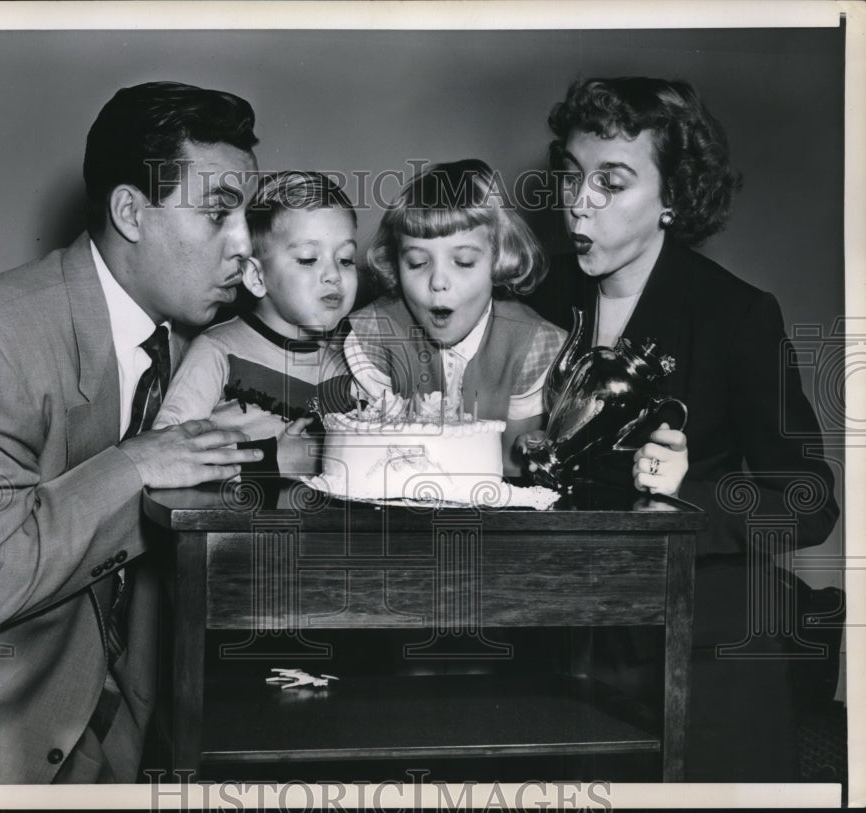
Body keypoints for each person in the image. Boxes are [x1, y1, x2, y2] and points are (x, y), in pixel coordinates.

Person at [0, 81, 265, 784]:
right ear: (130, 211)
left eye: (248, 216)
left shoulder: (191, 346)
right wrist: (136, 463)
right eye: (219, 214)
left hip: (112, 742)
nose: (247, 252)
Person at [526, 76, 841, 780]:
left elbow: (810, 501)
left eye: (612, 183)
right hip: (557, 629)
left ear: (672, 197)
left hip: (702, 643)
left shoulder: (737, 316)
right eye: (572, 177)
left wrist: (692, 491)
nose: (579, 204)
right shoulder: (536, 296)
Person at [346, 158, 688, 491]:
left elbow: (513, 471)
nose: (438, 281)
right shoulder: (372, 335)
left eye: (463, 262)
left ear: (498, 259)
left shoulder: (534, 345)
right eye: (417, 262)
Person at [154, 171, 359, 479]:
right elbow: (164, 456)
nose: (334, 275)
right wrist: (269, 462)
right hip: (231, 525)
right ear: (256, 277)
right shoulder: (218, 352)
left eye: (345, 259)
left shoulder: (354, 365)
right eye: (307, 259)